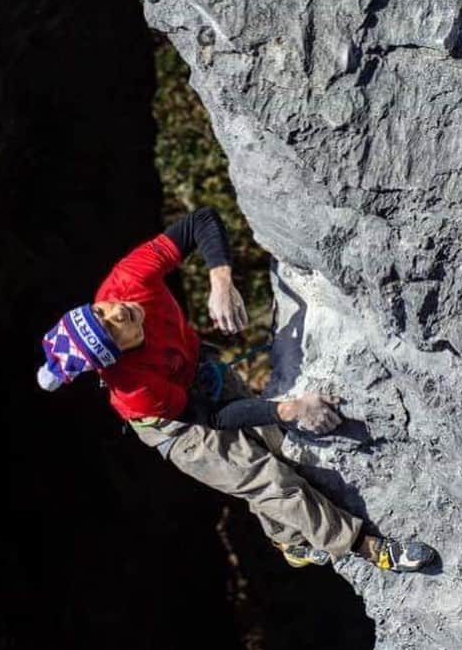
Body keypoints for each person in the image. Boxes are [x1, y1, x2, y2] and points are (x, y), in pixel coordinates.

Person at [36, 207, 434, 572]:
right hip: (176, 426)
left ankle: (287, 538)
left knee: (278, 443)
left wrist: (220, 279)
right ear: (113, 356)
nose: (116, 311)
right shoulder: (134, 389)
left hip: (197, 368)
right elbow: (210, 418)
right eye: (109, 327)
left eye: (99, 312)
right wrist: (288, 408)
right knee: (266, 476)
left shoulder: (125, 283)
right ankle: (367, 548)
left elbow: (201, 222)